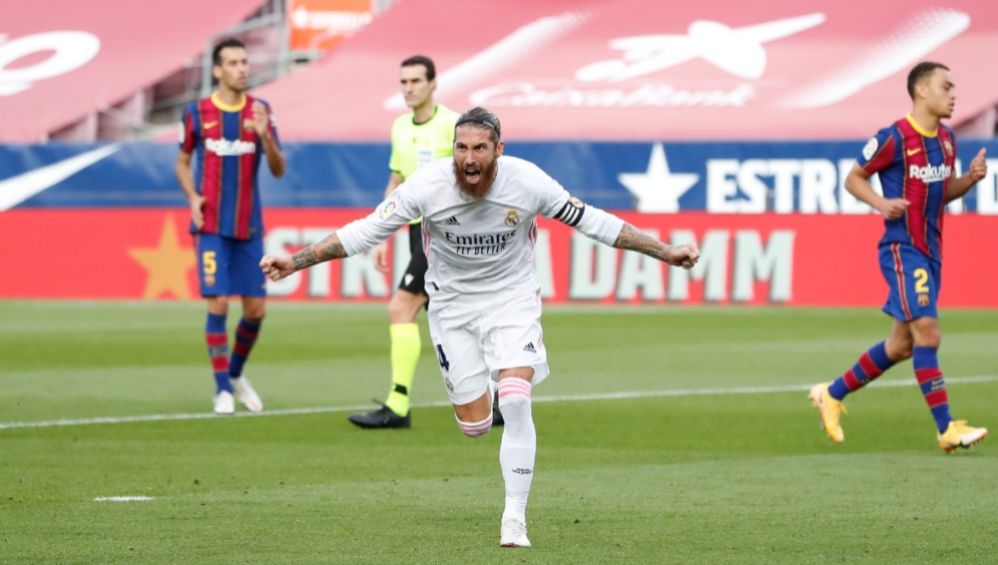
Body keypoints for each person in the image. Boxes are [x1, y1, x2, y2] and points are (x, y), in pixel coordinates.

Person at [261, 107, 700, 547]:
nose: (469, 159)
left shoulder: (528, 182)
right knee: (474, 425)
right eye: (461, 148)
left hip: (511, 300)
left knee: (516, 398)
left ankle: (514, 517)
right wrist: (296, 261)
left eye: (479, 148)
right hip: (451, 308)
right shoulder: (428, 185)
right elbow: (366, 231)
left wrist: (664, 251)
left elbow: (594, 222)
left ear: (499, 149)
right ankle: (490, 382)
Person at [809, 61, 988, 453]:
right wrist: (880, 203)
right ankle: (946, 428)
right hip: (902, 249)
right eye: (946, 86)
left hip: (932, 252)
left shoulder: (947, 140)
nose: (954, 94)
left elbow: (943, 191)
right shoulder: (893, 138)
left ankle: (831, 393)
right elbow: (853, 177)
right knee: (929, 332)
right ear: (921, 90)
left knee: (901, 345)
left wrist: (970, 180)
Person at [348, 55, 464, 429]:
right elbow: (397, 180)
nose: (409, 88)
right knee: (451, 317)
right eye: (404, 82)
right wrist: (381, 232)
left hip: (444, 231)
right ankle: (492, 399)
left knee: (401, 309)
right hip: (417, 230)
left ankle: (397, 405)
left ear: (433, 83)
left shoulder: (452, 124)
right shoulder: (400, 127)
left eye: (416, 81)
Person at [176, 37, 285, 415]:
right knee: (219, 301)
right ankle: (222, 389)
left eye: (244, 61)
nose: (242, 68)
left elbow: (278, 169)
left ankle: (235, 374)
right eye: (234, 63)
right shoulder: (196, 113)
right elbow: (182, 163)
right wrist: (192, 197)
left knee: (256, 311)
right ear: (218, 70)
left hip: (249, 227)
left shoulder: (260, 110)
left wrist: (265, 136)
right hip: (210, 226)